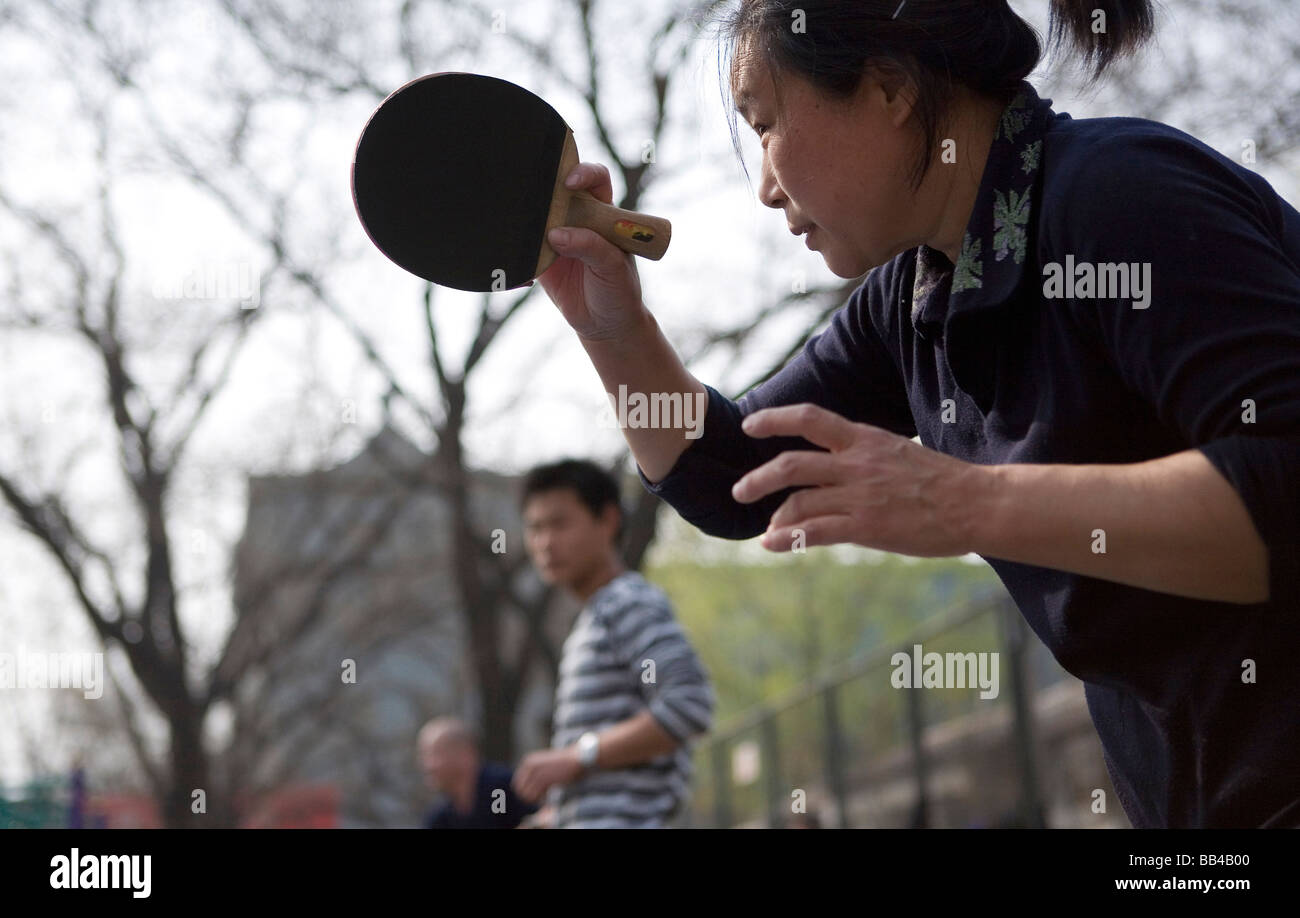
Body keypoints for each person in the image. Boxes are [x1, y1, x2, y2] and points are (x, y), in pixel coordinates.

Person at [535, 0, 1300, 829]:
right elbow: (732, 480)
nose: (762, 187)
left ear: (891, 88)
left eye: (764, 126)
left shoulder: (1119, 193)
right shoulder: (914, 299)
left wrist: (967, 503)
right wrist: (610, 326)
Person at [511, 459, 715, 828]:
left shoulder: (627, 602)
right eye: (534, 528)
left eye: (559, 523)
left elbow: (690, 702)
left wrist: (578, 756)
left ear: (607, 520)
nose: (545, 542)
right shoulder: (594, 619)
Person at [417, 716, 537, 829]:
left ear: (466, 754)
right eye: (424, 756)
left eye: (435, 754)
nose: (427, 765)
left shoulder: (502, 789)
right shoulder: (439, 818)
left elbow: (544, 817)